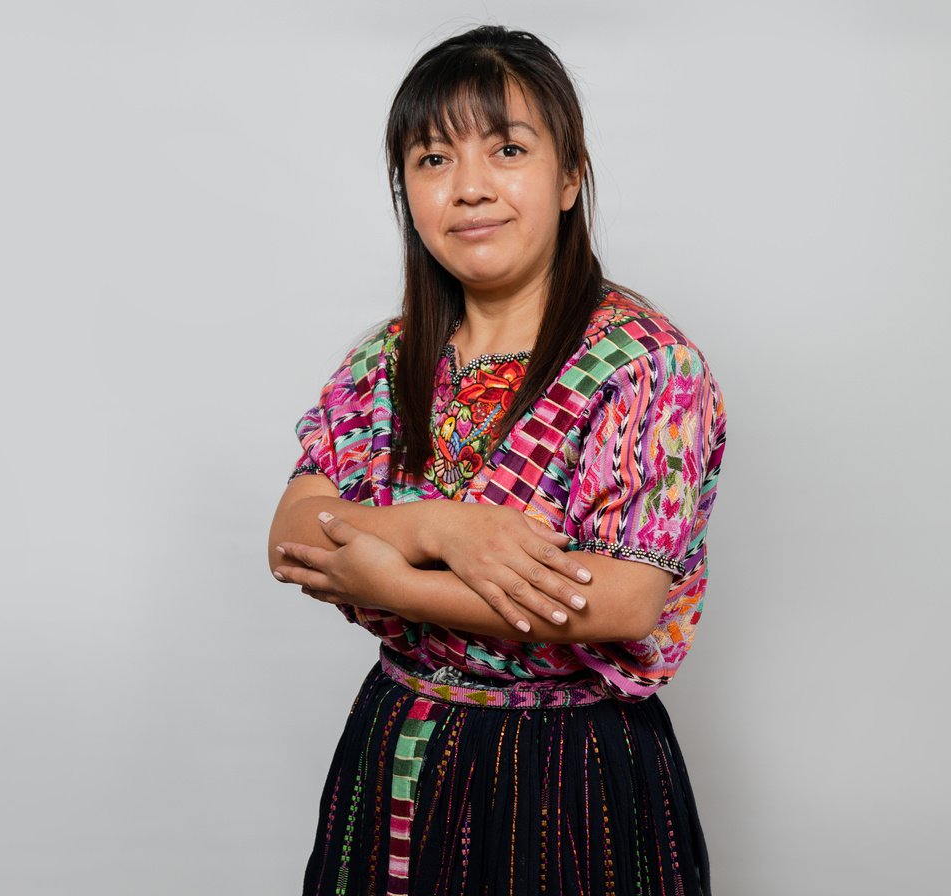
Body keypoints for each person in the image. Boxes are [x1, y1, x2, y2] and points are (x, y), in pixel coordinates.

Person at [269, 24, 726, 895]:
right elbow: (292, 533)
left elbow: (624, 598)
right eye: (433, 160)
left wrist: (393, 580)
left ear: (568, 177)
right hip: (397, 748)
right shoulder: (388, 360)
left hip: (573, 778)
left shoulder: (648, 366)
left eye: (507, 150)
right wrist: (444, 526)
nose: (469, 188)